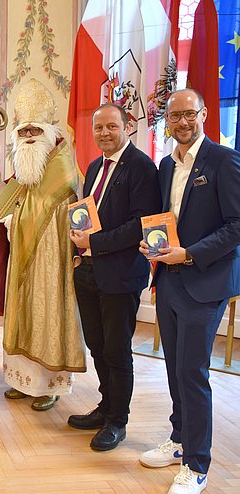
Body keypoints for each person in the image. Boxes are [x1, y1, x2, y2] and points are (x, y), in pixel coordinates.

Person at [137, 89, 240, 494]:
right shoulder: (166, 165)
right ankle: (180, 440)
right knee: (174, 368)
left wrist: (190, 254)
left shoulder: (224, 160)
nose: (182, 122)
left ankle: (197, 465)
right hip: (169, 279)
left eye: (189, 114)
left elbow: (236, 226)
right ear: (167, 121)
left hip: (206, 280)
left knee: (192, 373)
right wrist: (154, 246)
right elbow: (166, 219)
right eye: (174, 116)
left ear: (204, 113)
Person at [67, 103, 161, 451]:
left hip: (120, 275)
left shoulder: (142, 167)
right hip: (88, 269)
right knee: (97, 345)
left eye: (111, 126)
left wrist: (95, 241)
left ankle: (117, 421)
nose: (104, 133)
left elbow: (140, 223)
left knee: (117, 350)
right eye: (99, 128)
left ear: (127, 126)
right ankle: (105, 407)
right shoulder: (94, 167)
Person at [0, 79, 85, 410]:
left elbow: (46, 213)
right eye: (23, 132)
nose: (28, 137)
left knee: (47, 317)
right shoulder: (26, 167)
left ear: (48, 132)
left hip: (51, 261)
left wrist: (14, 220)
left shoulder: (62, 169)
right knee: (22, 314)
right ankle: (22, 382)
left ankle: (49, 386)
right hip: (23, 255)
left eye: (34, 132)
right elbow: (14, 203)